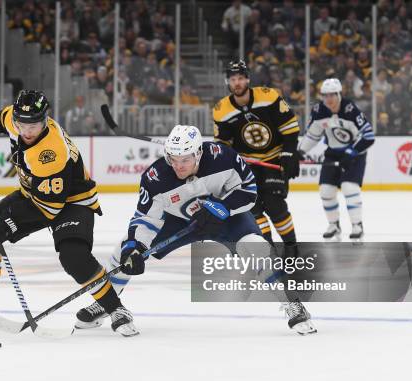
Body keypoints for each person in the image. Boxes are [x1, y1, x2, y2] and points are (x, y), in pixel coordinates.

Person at [74, 125, 316, 335]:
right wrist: (134, 247)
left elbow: (249, 192)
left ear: (198, 153)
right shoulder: (156, 177)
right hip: (180, 221)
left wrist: (222, 207)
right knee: (124, 249)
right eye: (173, 159)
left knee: (257, 247)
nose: (178, 167)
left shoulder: (225, 157)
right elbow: (145, 220)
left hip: (227, 218)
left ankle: (292, 303)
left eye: (185, 160)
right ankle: (108, 303)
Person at [0, 90, 138, 337]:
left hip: (72, 202)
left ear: (46, 120)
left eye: (34, 124)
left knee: (74, 257)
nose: (27, 131)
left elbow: (49, 208)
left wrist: (8, 226)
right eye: (21, 124)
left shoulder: (51, 152)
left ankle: (116, 309)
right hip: (34, 193)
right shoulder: (15, 119)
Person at [213, 60, 301, 256]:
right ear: (228, 82)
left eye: (241, 78)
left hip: (273, 159)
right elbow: (224, 144)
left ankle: (291, 247)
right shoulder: (222, 109)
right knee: (253, 208)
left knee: (275, 206)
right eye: (233, 79)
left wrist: (290, 153)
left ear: (248, 79)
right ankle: (269, 250)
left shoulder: (268, 97)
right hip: (246, 165)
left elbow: (289, 128)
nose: (237, 83)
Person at [298, 78, 374, 241]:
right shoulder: (319, 111)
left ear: (339, 94)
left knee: (349, 188)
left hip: (355, 154)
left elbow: (368, 136)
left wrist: (351, 152)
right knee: (325, 190)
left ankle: (357, 225)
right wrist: (300, 151)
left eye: (332, 95)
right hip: (332, 153)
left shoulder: (351, 109)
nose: (329, 99)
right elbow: (313, 135)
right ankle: (334, 225)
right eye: (325, 95)